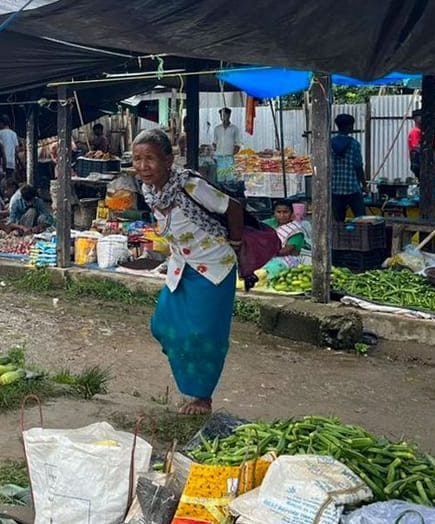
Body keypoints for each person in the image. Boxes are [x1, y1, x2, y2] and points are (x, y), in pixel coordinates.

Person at [132, 128, 243, 415]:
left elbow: (234, 209)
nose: (143, 167)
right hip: (182, 267)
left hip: (214, 269)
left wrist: (237, 245)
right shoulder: (150, 190)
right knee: (163, 325)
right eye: (137, 159)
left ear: (169, 160)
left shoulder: (190, 186)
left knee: (205, 336)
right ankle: (189, 373)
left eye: (150, 159)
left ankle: (201, 398)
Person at [260, 200, 310, 278]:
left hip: (286, 260)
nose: (282, 215)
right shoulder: (270, 223)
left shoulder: (295, 230)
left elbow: (287, 250)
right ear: (274, 213)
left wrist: (267, 254)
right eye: (278, 212)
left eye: (285, 212)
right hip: (268, 256)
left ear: (292, 213)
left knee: (269, 270)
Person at [330, 114, 367, 219]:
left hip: (335, 189)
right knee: (361, 219)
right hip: (352, 188)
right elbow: (358, 167)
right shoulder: (354, 144)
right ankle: (361, 235)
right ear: (349, 126)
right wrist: (364, 185)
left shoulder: (330, 143)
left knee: (338, 221)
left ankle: (339, 236)